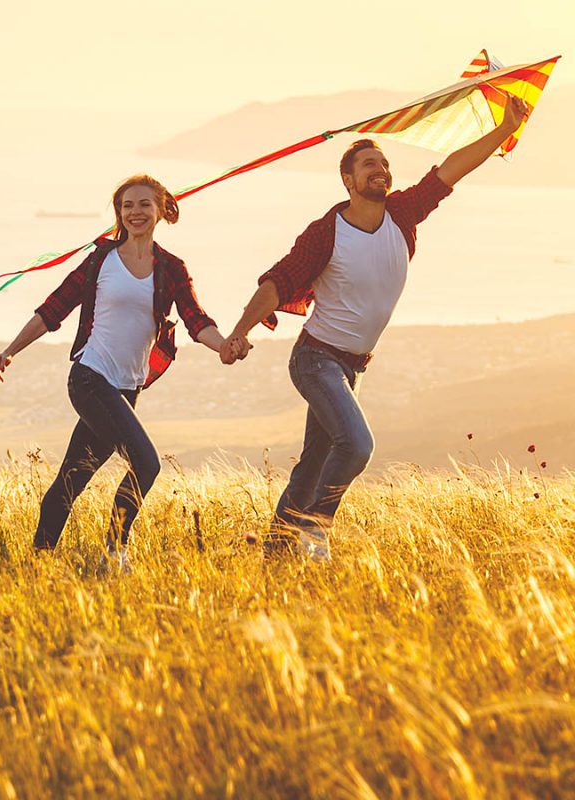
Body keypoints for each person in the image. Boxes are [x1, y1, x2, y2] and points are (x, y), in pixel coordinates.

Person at [221, 95, 530, 561]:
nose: (379, 169)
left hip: (351, 367)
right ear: (348, 180)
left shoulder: (402, 214)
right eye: (368, 164)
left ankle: (276, 557)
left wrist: (504, 128)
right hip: (315, 360)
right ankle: (315, 529)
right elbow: (278, 281)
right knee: (357, 445)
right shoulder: (327, 232)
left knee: (312, 465)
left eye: (384, 163)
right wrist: (239, 331)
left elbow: (453, 169)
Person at [0, 174, 226, 570]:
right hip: (89, 378)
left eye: (144, 204)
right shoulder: (102, 259)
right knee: (147, 464)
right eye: (127, 205)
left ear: (161, 210)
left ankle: (37, 560)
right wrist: (9, 352)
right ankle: (114, 552)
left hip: (126, 388)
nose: (135, 212)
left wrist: (226, 346)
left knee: (73, 476)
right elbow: (53, 309)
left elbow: (196, 320)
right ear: (119, 212)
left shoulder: (171, 268)